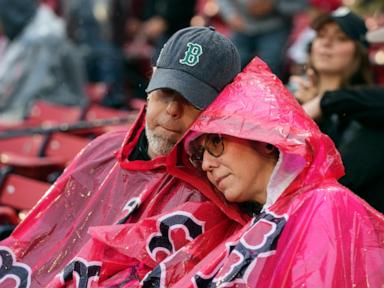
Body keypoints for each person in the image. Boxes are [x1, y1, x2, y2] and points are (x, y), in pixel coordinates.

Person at [0, 26, 246, 286]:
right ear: (150, 89)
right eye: (166, 92)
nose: (173, 109)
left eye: (192, 100)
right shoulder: (104, 149)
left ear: (219, 110)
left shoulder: (218, 191)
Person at [171, 57, 384, 287]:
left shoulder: (326, 203)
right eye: (199, 155)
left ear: (265, 140)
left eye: (215, 142)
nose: (206, 165)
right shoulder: (259, 218)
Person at [290, 7, 384, 213]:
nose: (326, 43)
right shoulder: (288, 98)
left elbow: (336, 180)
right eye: (321, 35)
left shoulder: (369, 110)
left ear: (359, 51)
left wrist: (324, 101)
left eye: (341, 38)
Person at [0, 0, 87, 123]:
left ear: (10, 15)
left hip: (56, 118)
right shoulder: (22, 37)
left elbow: (24, 97)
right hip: (43, 117)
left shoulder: (42, 41)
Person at [217, 0, 307, 77]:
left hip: (275, 27)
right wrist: (230, 15)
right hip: (242, 26)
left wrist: (274, 4)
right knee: (230, 64)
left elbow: (301, 5)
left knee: (270, 67)